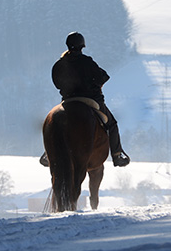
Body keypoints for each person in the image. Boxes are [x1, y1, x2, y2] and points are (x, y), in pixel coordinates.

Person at [40, 32, 130, 167]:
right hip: (91, 100)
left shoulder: (59, 65)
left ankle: (47, 153)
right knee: (112, 124)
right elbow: (102, 77)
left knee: (55, 123)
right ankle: (117, 155)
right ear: (82, 46)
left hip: (68, 101)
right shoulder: (87, 62)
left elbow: (57, 83)